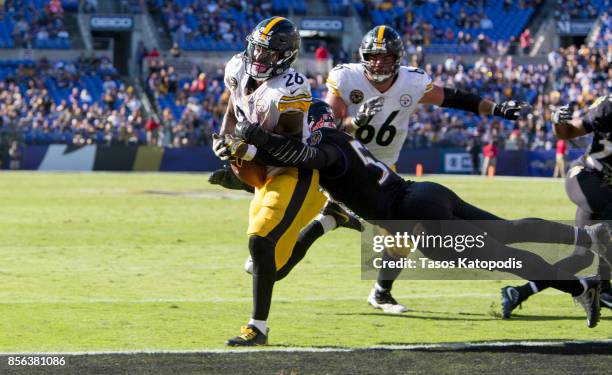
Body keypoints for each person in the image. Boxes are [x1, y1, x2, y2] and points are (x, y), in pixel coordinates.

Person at [222, 99, 608, 328]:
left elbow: (304, 157)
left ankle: (580, 288)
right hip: (425, 193)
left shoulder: (325, 152)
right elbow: (295, 157)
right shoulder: (338, 137)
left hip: (414, 219)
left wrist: (256, 143)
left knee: (506, 254)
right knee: (507, 232)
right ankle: (580, 238)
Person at [325, 25, 528, 313]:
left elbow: (455, 98)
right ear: (363, 57)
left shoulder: (412, 81)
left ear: (398, 58)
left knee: (401, 237)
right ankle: (267, 257)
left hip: (385, 167)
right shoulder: (346, 78)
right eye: (374, 56)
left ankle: (380, 290)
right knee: (313, 213)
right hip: (346, 164)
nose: (379, 62)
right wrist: (354, 123)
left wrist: (496, 108)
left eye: (386, 57)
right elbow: (324, 125)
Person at [212, 17, 354, 347]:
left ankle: (257, 328)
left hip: (295, 171)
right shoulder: (236, 67)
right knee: (269, 268)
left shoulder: (291, 87)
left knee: (261, 242)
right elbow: (233, 110)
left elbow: (289, 148)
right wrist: (223, 139)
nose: (259, 59)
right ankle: (329, 221)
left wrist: (246, 150)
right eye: (256, 50)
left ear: (285, 56)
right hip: (263, 171)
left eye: (268, 54)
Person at [501, 94, 612, 317]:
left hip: (605, 193)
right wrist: (558, 123)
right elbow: (570, 131)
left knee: (583, 256)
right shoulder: (608, 106)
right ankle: (603, 288)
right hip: (587, 179)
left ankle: (518, 293)